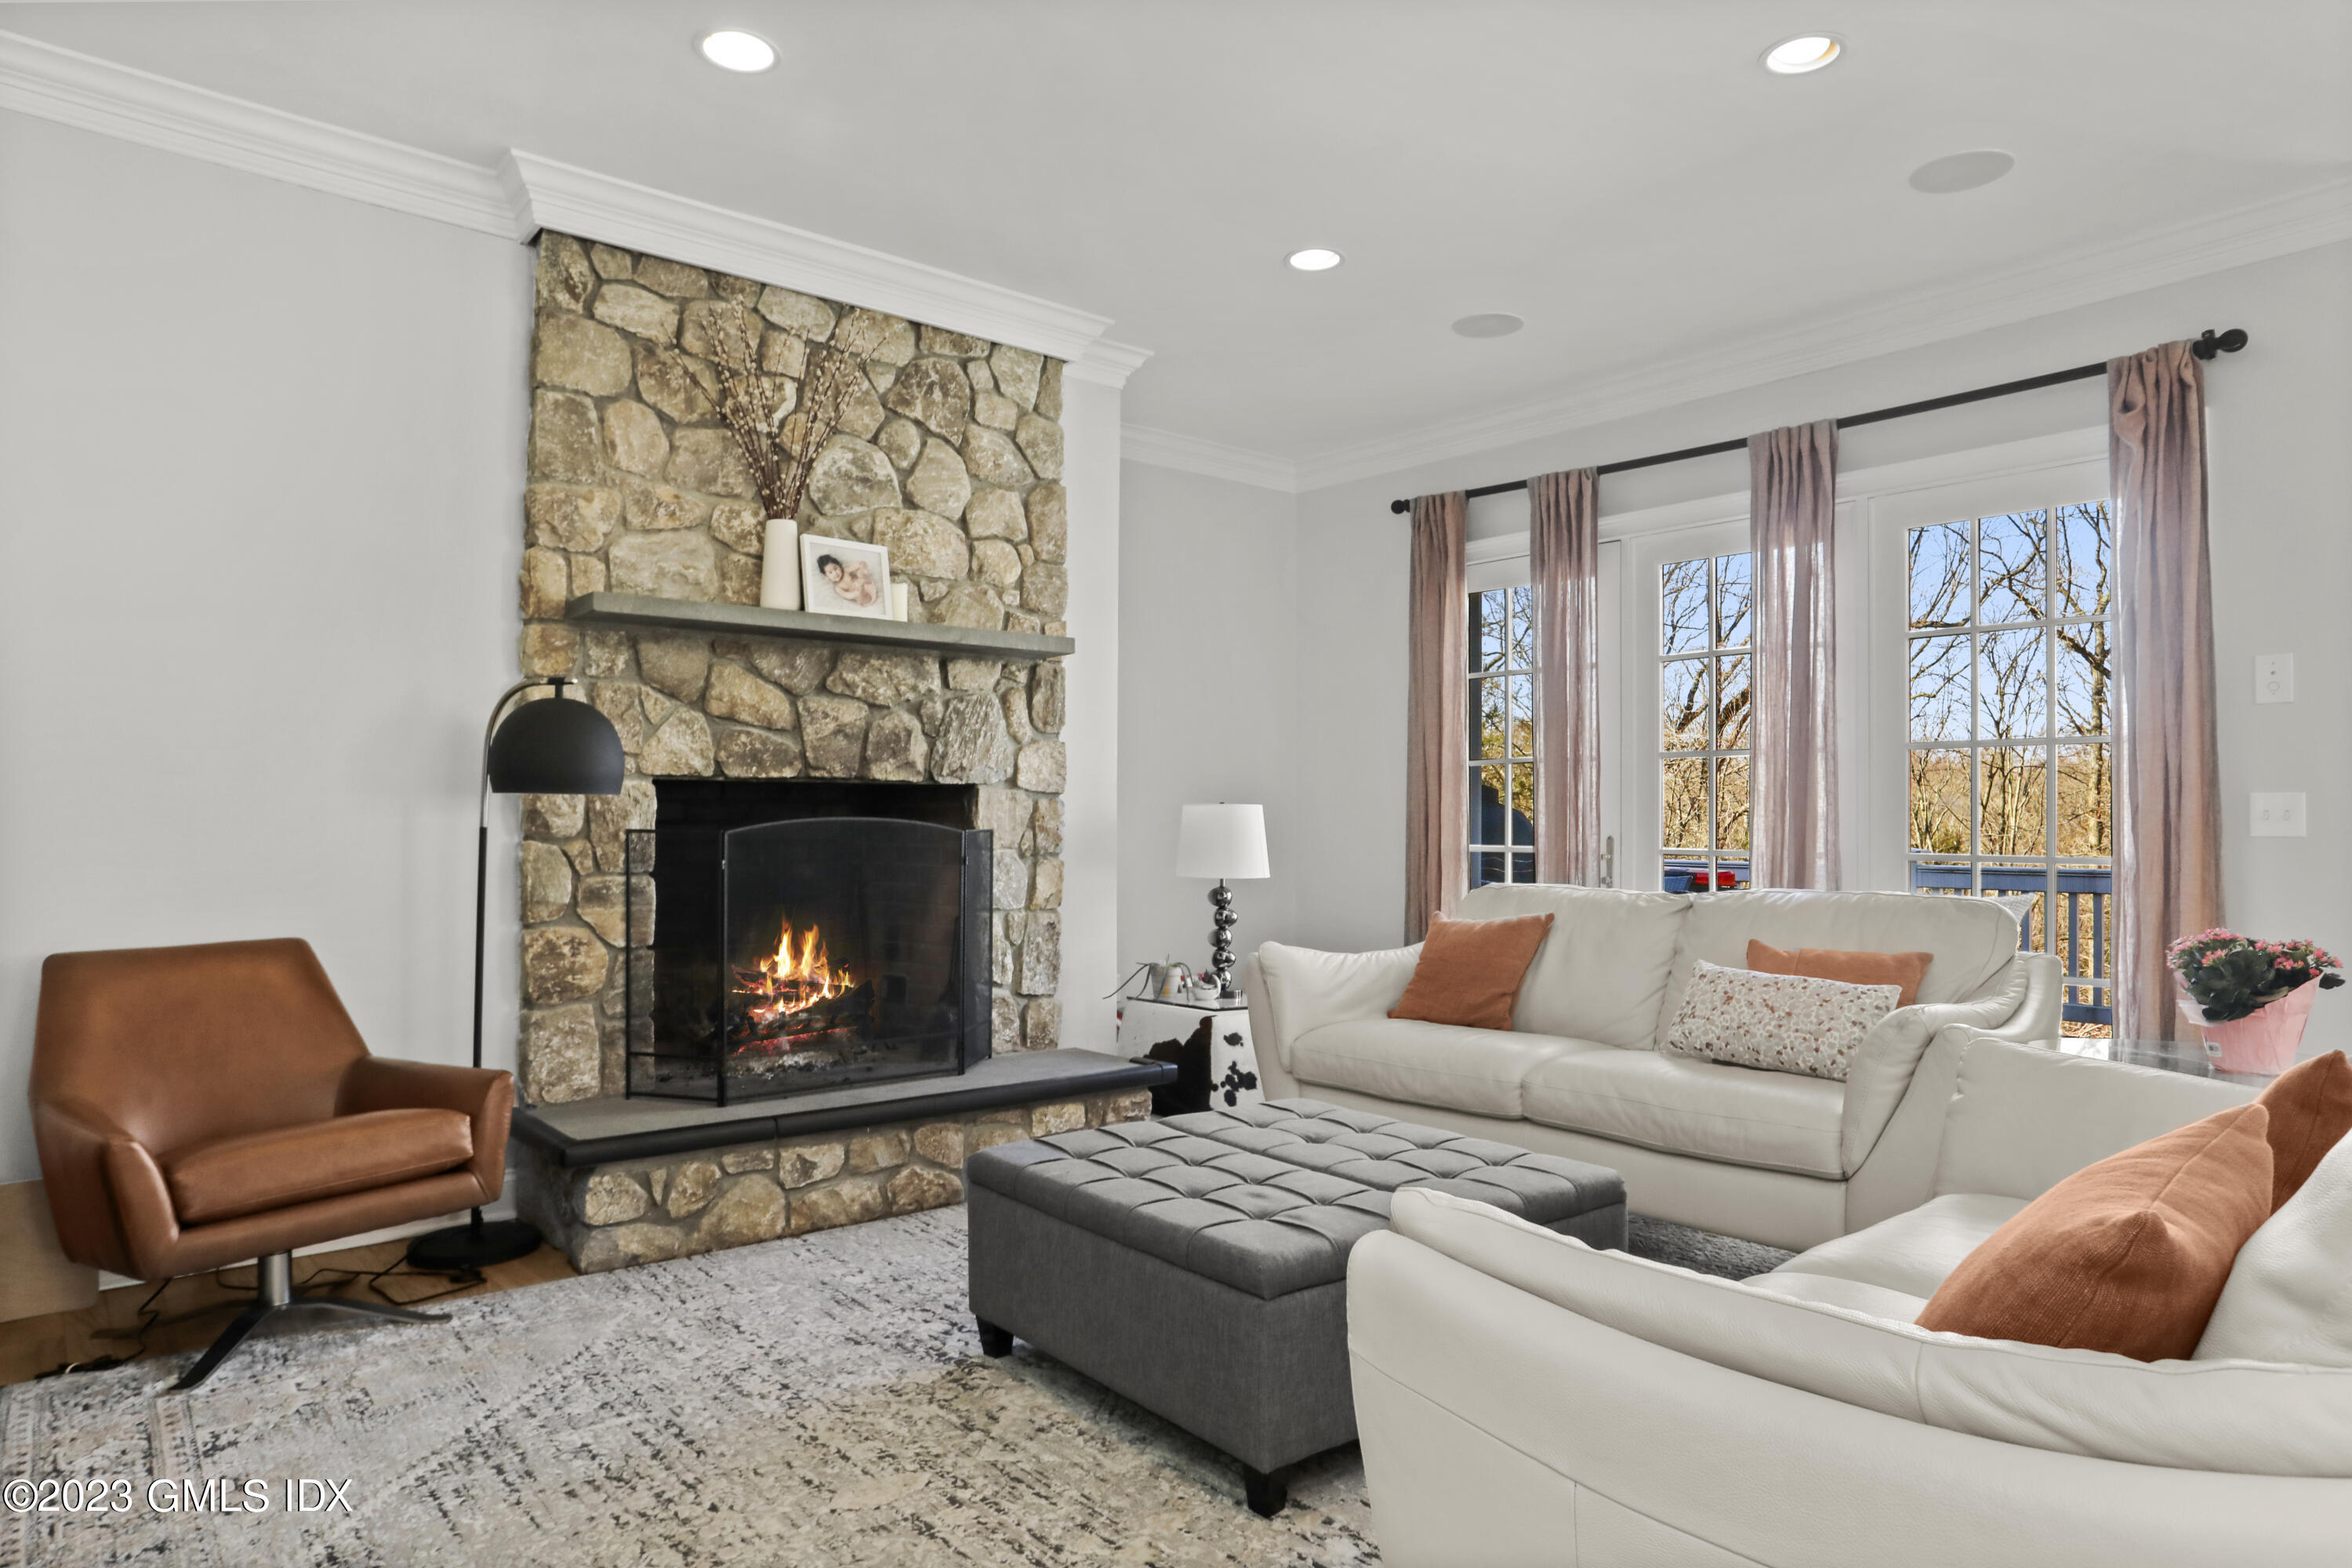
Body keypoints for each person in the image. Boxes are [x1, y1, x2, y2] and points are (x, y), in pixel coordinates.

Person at [815, 552, 880, 608]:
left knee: (862, 574)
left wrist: (862, 574)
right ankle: (861, 588)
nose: (835, 573)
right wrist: (856, 593)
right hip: (865, 598)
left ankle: (862, 581)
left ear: (839, 566)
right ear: (826, 576)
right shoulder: (838, 587)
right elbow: (846, 595)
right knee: (860, 596)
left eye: (835, 568)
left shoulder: (846, 571)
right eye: (830, 572)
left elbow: (861, 564)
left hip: (867, 584)